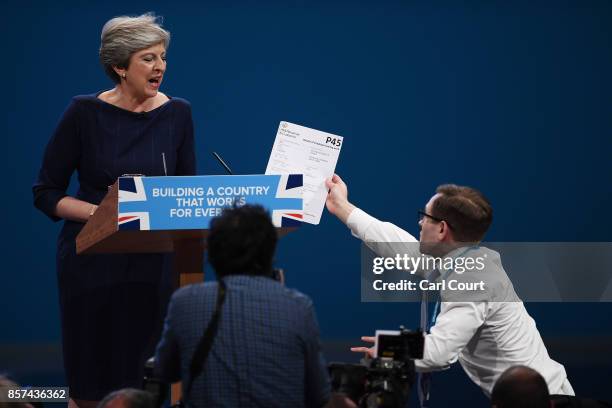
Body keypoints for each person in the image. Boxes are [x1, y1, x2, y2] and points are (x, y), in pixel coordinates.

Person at [32, 13, 196, 408]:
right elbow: (46, 192)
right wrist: (103, 214)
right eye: (148, 59)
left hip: (154, 264)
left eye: (162, 57)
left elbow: (187, 192)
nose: (160, 67)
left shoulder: (178, 113)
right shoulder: (83, 113)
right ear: (120, 67)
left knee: (145, 377)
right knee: (90, 384)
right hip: (91, 260)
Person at [324, 174, 574, 399]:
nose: (420, 223)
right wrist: (343, 208)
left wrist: (388, 346)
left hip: (542, 401)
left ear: (442, 228)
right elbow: (400, 247)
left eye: (425, 216)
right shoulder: (466, 260)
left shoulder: (473, 279)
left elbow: (440, 351)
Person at [154, 205, 331, 408]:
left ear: (211, 254)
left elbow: (165, 371)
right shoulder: (299, 307)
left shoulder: (185, 302)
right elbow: (319, 394)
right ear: (270, 253)